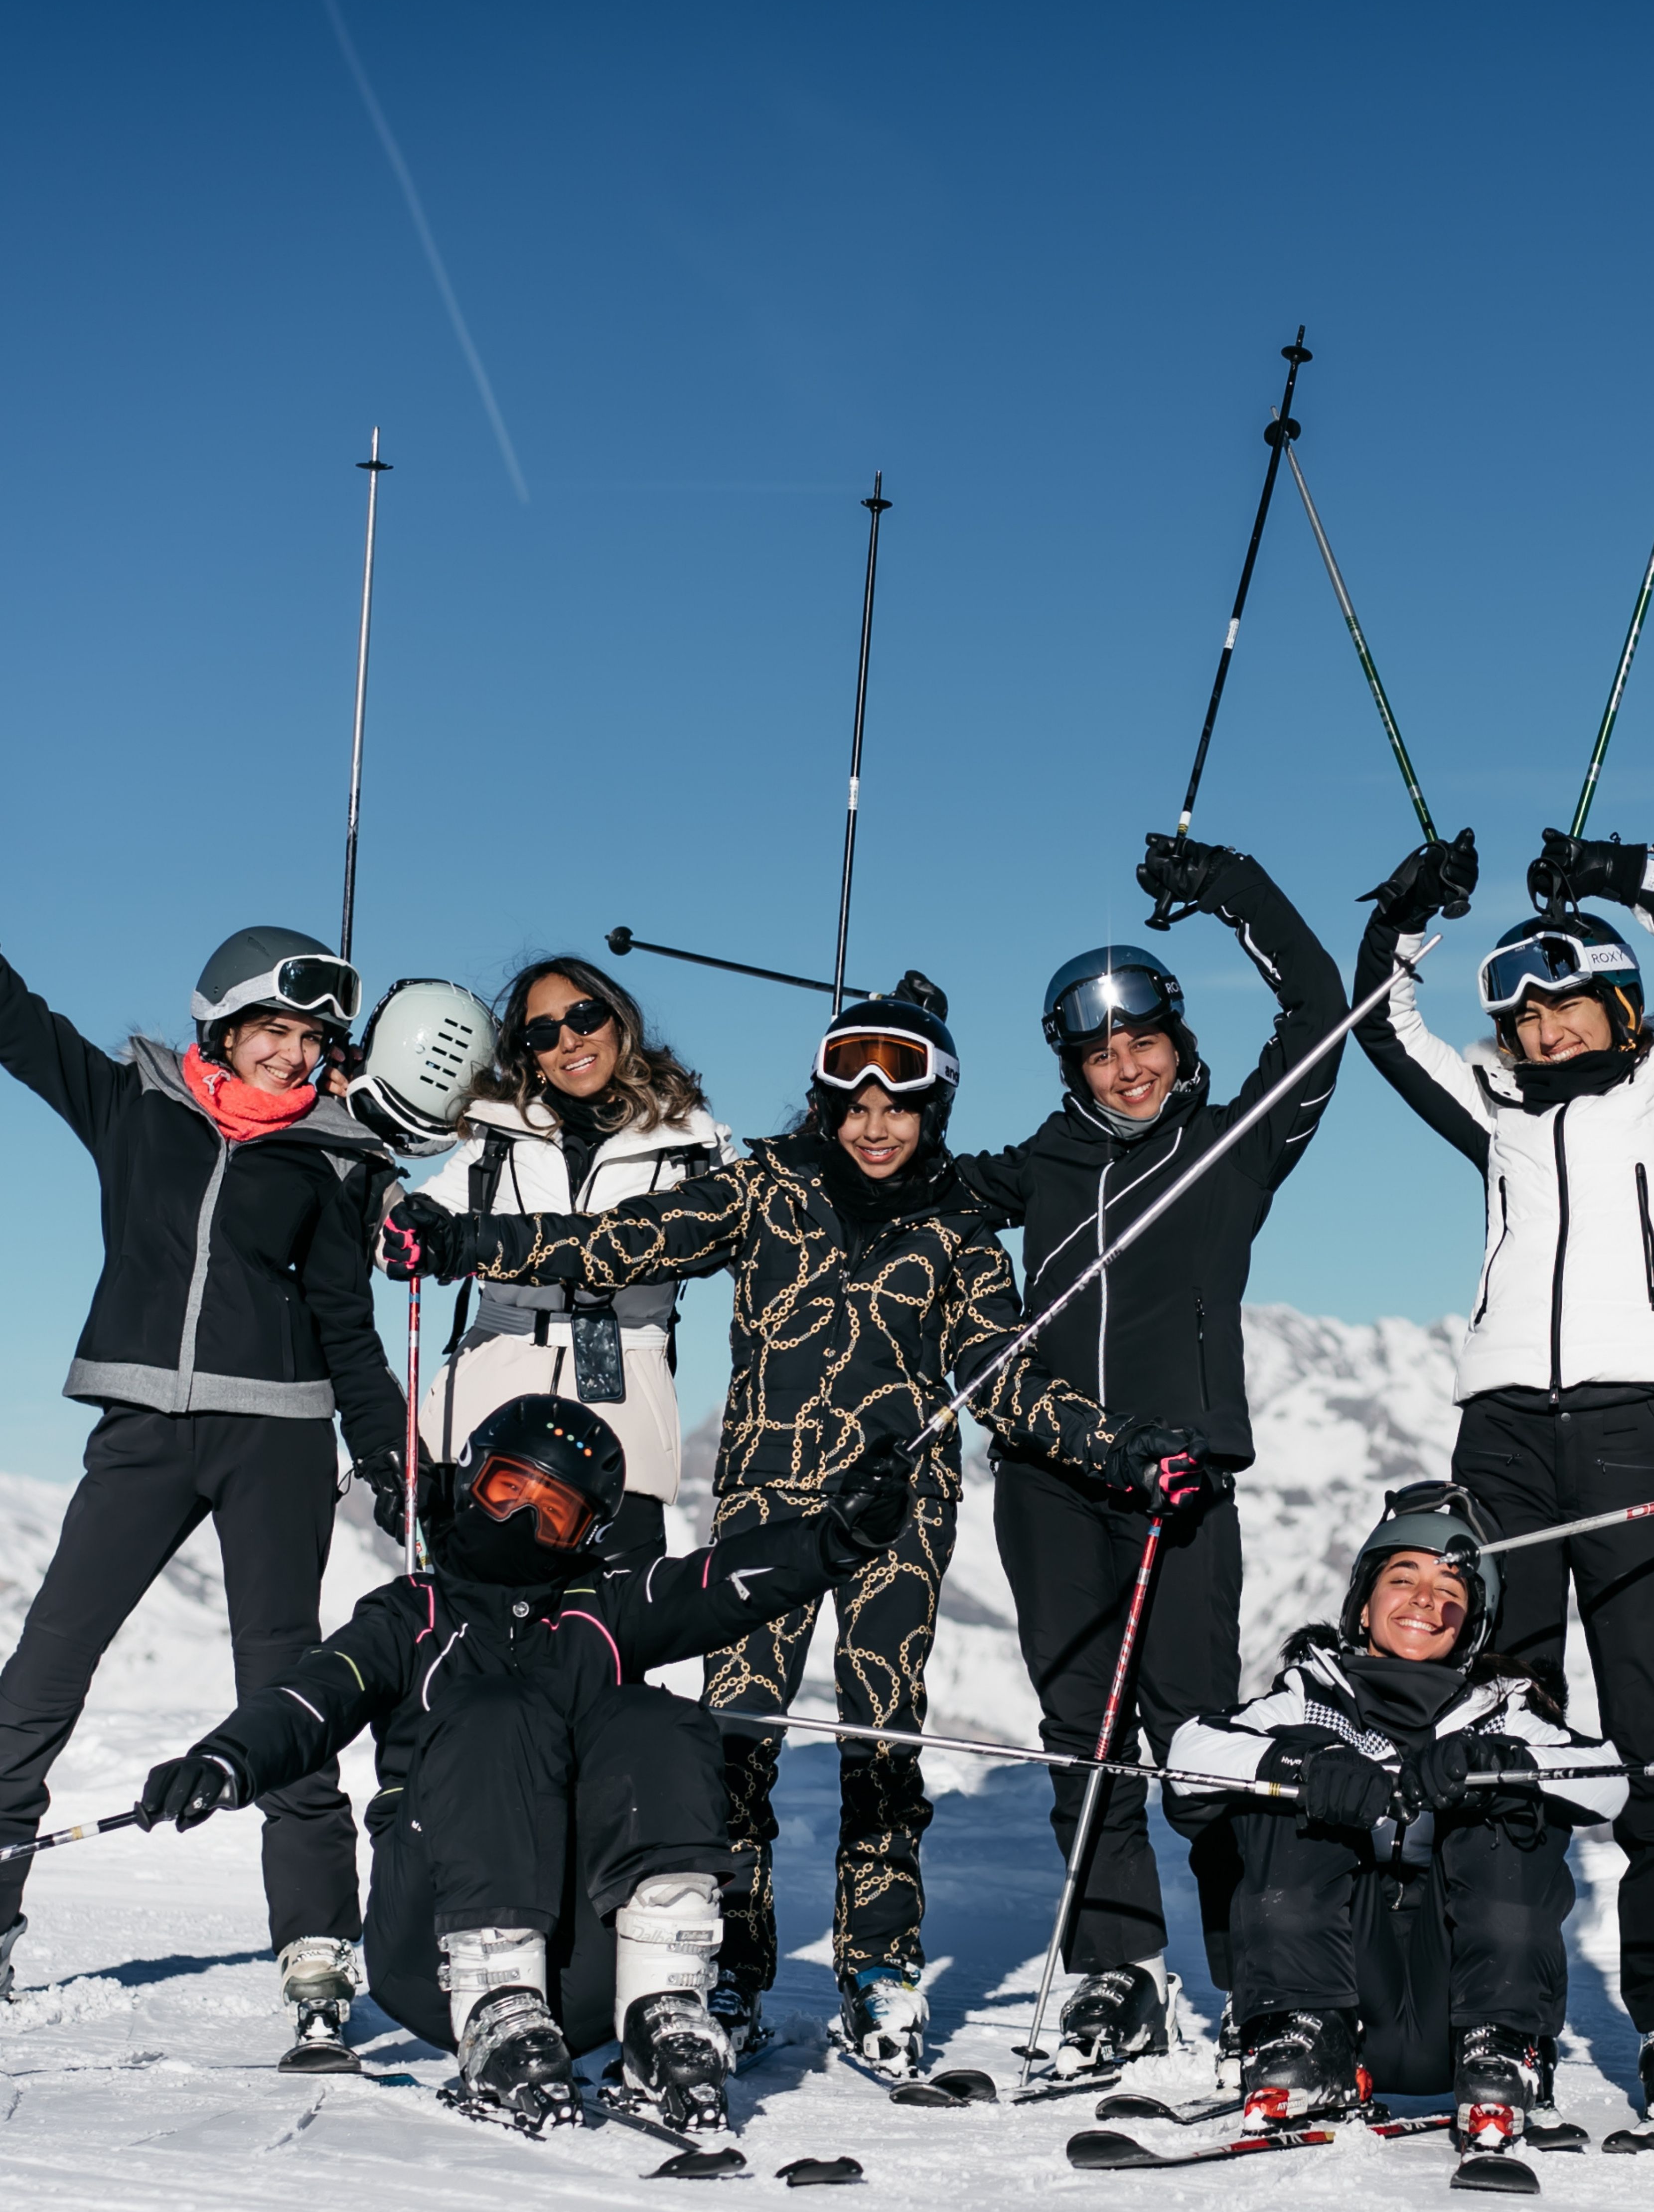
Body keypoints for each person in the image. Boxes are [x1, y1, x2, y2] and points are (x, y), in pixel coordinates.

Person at [380, 984, 1219, 2074]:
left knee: (885, 1740)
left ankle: (882, 1970)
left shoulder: (957, 1228)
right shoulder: (767, 1189)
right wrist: (462, 1239)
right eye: (854, 1103)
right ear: (826, 1105)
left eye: (900, 1108)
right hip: (764, 1509)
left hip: (895, 1518)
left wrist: (1121, 1450)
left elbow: (1004, 1380)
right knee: (733, 1736)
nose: (876, 1127)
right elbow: (621, 1241)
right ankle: (730, 1964)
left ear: (935, 1113)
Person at [132, 1394, 910, 2129]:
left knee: (657, 1718)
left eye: (556, 1511)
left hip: (585, 1972)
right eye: (509, 1488)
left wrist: (836, 1537)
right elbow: (313, 1699)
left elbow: (713, 1587)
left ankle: (663, 2009)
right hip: (432, 1954)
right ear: (473, 1479)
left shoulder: (599, 1611)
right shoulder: (411, 1615)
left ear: (584, 1535)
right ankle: (495, 2008)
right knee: (496, 1710)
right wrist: (225, 1760)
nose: (523, 1518)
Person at [1351, 825, 1654, 2126]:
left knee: (1652, 1727)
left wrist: (1628, 882)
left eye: (1570, 1004)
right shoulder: (1492, 1110)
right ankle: (1504, 2015)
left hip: (1637, 1429)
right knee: (1501, 1729)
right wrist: (1411, 921)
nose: (1543, 1030)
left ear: (1620, 1010)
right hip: (1507, 1446)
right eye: (1524, 1016)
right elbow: (1379, 1022)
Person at [951, 834, 1348, 2075]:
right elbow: (903, 1180)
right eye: (1100, 1054)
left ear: (1178, 1043)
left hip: (1183, 1484)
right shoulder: (1039, 1166)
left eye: (1145, 1045)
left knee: (1199, 1739)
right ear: (1070, 1063)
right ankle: (1118, 1973)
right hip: (1053, 1484)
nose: (1126, 1071)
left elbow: (1323, 1009)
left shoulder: (1235, 1149)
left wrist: (1227, 888)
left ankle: (1258, 1978)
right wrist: (903, 1040)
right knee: (1084, 1733)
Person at [0, 926, 405, 2060]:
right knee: (42, 1671)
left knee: (283, 1687)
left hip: (278, 1441)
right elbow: (17, 1020)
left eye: (315, 1038)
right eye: (273, 1029)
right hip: (142, 1430)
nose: (292, 1056)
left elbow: (349, 1332)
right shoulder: (133, 1103)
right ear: (222, 1023)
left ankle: (317, 1950)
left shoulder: (335, 1158)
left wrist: (389, 1458)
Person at [1166, 1484, 1625, 2153]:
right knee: (1282, 1786)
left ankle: (1500, 2049)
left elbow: (1609, 1784)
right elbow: (1187, 1760)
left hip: (1464, 2007)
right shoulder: (1305, 1697)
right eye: (1403, 1578)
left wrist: (1500, 1765)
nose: (1425, 1602)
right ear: (1364, 1599)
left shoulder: (1503, 1710)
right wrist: (1305, 1771)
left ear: (1471, 1623)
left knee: (1508, 1792)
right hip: (1339, 2001)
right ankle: (1302, 2042)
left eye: (1451, 1592)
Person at [409, 957, 732, 1569]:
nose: (570, 1040)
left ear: (620, 1021)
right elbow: (417, 1224)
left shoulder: (697, 1144)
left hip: (625, 1407)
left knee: (612, 1634)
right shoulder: (493, 1138)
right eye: (543, 1031)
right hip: (485, 1407)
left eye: (586, 1016)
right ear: (527, 1053)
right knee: (474, 1628)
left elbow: (755, 1236)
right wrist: (403, 1226)